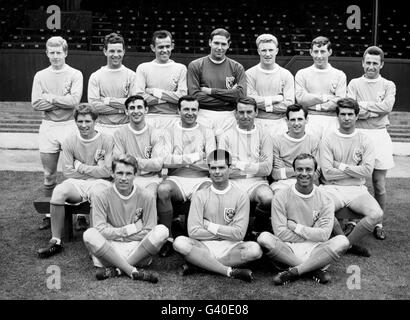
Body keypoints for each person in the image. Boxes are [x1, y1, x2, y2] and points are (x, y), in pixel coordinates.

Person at [257, 153, 349, 285]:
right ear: (294, 171)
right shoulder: (280, 197)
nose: (304, 173)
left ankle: (294, 271)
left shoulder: (326, 199)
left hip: (316, 250)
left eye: (308, 169)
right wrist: (313, 231)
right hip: (288, 250)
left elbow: (324, 235)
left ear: (315, 172)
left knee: (342, 241)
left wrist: (296, 227)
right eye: (300, 169)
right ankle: (312, 269)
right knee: (264, 238)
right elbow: (281, 233)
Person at [173, 149, 262, 282]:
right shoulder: (199, 195)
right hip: (204, 246)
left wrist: (209, 226)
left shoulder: (241, 196)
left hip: (231, 246)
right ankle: (227, 270)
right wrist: (227, 231)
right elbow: (193, 232)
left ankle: (200, 265)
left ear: (230, 169)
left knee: (255, 250)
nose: (217, 171)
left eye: (221, 167)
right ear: (208, 170)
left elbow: (239, 235)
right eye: (213, 168)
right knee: (179, 242)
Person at [37, 104, 113, 258]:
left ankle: (96, 244)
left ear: (95, 121)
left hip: (101, 182)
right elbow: (67, 172)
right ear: (75, 122)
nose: (83, 125)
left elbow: (107, 171)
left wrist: (79, 166)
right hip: (78, 183)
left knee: (98, 193)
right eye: (80, 121)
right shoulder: (69, 141)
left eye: (87, 121)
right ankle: (56, 241)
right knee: (58, 191)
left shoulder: (106, 139)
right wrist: (92, 170)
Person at [83, 154, 168, 282]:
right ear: (112, 173)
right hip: (111, 249)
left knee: (162, 231)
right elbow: (100, 230)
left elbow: (149, 229)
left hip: (138, 250)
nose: (124, 178)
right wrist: (129, 230)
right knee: (89, 234)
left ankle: (118, 270)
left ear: (135, 174)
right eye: (120, 173)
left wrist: (113, 232)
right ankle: (131, 270)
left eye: (128, 174)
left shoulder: (147, 196)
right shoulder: (101, 196)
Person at [319, 98, 383, 256]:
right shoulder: (328, 139)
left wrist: (339, 165)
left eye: (350, 114)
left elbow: (367, 171)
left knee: (377, 214)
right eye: (343, 114)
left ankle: (346, 243)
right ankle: (345, 243)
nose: (346, 118)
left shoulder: (365, 139)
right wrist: (355, 170)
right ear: (337, 116)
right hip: (332, 187)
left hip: (357, 189)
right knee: (320, 209)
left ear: (356, 116)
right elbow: (327, 172)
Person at [31, 36, 83, 230]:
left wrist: (50, 98)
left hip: (70, 126)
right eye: (51, 53)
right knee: (49, 174)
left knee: (75, 172)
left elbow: (74, 102)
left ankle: (80, 214)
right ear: (46, 53)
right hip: (49, 127)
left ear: (65, 52)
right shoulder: (40, 75)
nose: (55, 56)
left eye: (58, 52)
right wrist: (63, 100)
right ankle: (48, 213)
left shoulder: (75, 74)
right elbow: (36, 103)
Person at [157, 95, 216, 257]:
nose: (190, 113)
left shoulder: (207, 131)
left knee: (208, 192)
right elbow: (165, 161)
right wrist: (194, 157)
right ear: (178, 110)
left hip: (201, 179)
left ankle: (197, 236)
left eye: (193, 109)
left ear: (198, 111)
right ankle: (167, 237)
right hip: (177, 179)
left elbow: (211, 164)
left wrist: (180, 160)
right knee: (162, 190)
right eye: (186, 109)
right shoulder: (169, 130)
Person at [347, 46, 396, 240]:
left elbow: (387, 107)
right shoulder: (354, 83)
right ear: (362, 63)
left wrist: (364, 106)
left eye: (375, 63)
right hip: (357, 133)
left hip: (379, 134)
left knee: (379, 183)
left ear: (381, 64)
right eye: (368, 62)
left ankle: (378, 222)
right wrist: (374, 109)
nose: (371, 66)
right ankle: (351, 221)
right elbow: (351, 108)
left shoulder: (388, 85)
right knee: (354, 180)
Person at [218, 97, 274, 233]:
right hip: (233, 183)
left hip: (257, 183)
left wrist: (238, 164)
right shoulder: (226, 136)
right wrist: (255, 166)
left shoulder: (264, 135)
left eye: (249, 112)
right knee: (221, 198)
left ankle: (258, 229)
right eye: (241, 112)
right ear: (235, 114)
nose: (245, 116)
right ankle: (232, 231)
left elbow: (267, 169)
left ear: (256, 113)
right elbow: (222, 170)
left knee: (267, 198)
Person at [187, 28, 246, 140]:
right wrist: (229, 96)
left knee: (225, 154)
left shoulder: (237, 67)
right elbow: (195, 96)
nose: (219, 47)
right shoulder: (195, 65)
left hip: (229, 116)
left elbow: (241, 95)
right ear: (210, 42)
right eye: (216, 43)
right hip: (203, 114)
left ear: (229, 45)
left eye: (223, 44)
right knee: (204, 152)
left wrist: (211, 91)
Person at [133, 30, 187, 131]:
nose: (165, 50)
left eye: (168, 46)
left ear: (172, 46)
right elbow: (139, 97)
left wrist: (154, 92)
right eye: (161, 47)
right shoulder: (143, 68)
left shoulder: (181, 68)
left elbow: (182, 97)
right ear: (153, 48)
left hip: (174, 118)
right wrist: (166, 98)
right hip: (149, 117)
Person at [295, 36, 346, 139]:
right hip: (309, 120)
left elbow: (340, 101)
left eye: (322, 51)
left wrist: (313, 103)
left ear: (330, 52)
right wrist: (326, 98)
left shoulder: (339, 75)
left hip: (332, 120)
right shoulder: (302, 74)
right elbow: (301, 99)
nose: (319, 56)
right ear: (311, 52)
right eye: (316, 51)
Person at [113, 95, 164, 196]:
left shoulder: (156, 133)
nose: (136, 111)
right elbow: (119, 161)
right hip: (126, 177)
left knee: (149, 195)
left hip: (150, 179)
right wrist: (145, 164)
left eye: (139, 107)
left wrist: (131, 160)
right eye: (132, 108)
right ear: (126, 111)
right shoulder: (119, 133)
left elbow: (157, 165)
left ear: (146, 110)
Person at [246, 33, 295, 138]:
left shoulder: (286, 74)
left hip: (280, 123)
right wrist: (275, 99)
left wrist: (263, 105)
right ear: (259, 51)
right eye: (264, 50)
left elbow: (289, 105)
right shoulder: (249, 74)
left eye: (270, 50)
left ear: (276, 51)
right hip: (256, 123)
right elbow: (250, 103)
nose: (267, 54)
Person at [88, 32, 135, 136]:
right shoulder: (96, 76)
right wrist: (121, 109)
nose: (116, 55)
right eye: (112, 51)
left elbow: (133, 104)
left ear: (123, 52)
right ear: (105, 51)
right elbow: (94, 107)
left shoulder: (132, 76)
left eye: (119, 51)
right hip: (101, 127)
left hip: (125, 127)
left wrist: (107, 100)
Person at [270, 104, 320, 193]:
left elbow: (316, 174)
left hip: (308, 183)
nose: (296, 123)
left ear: (306, 120)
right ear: (287, 121)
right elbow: (275, 174)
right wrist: (305, 169)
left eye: (300, 119)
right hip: (282, 183)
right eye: (293, 119)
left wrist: (286, 171)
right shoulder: (276, 141)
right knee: (279, 196)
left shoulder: (314, 140)